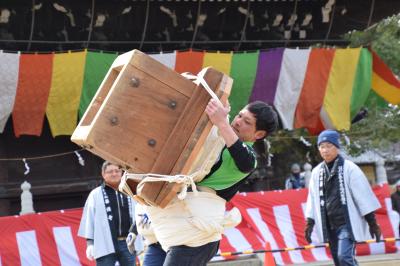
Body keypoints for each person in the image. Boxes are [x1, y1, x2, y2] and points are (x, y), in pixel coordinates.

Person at [142, 99, 278, 266]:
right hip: (170, 224)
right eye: (240, 115)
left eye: (247, 122)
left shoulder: (248, 158)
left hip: (197, 235)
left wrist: (221, 122)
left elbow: (245, 161)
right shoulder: (216, 135)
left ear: (258, 135)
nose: (238, 121)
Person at [304, 130, 382, 266]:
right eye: (322, 146)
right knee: (338, 261)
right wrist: (309, 223)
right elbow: (312, 198)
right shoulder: (317, 172)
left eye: (329, 146)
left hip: (346, 222)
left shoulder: (350, 168)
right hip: (328, 223)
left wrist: (373, 223)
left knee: (344, 257)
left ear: (337, 147)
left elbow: (363, 197)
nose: (325, 150)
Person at [78, 161, 137, 266]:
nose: (114, 174)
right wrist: (90, 243)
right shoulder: (95, 194)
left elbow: (139, 215)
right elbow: (89, 220)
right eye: (110, 171)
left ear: (121, 173)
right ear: (103, 174)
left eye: (117, 171)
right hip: (104, 243)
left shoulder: (130, 191)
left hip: (128, 242)